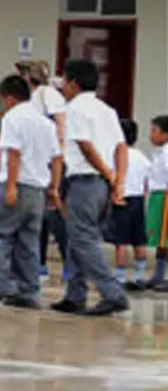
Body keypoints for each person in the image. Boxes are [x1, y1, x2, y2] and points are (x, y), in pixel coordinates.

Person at [50, 59, 130, 317]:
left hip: (86, 180)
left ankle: (112, 293)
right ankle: (75, 294)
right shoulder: (107, 110)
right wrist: (118, 181)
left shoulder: (74, 109)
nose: (62, 85)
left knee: (83, 239)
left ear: (73, 83)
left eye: (64, 80)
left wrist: (107, 173)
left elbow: (85, 145)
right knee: (76, 239)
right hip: (103, 184)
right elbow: (121, 147)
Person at [0, 75, 61, 309]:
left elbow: (13, 153)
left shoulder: (13, 118)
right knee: (28, 241)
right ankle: (29, 290)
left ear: (10, 99)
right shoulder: (46, 122)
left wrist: (12, 186)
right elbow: (57, 158)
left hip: (15, 182)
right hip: (37, 188)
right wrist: (54, 188)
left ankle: (0, 283)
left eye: (2, 100)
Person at [16, 59, 70, 280]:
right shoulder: (34, 96)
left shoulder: (48, 94)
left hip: (51, 159)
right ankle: (38, 262)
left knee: (55, 213)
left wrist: (56, 150)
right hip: (39, 159)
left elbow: (59, 121)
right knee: (38, 214)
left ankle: (68, 261)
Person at [108, 119, 152, 290]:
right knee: (139, 239)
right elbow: (148, 181)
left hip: (122, 199)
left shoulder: (117, 155)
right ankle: (140, 275)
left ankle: (120, 276)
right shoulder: (142, 156)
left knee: (121, 240)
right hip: (138, 199)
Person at [142, 115, 168, 291]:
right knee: (160, 238)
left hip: (165, 196)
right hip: (157, 195)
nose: (151, 135)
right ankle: (158, 274)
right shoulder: (159, 152)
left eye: (155, 131)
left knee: (165, 237)